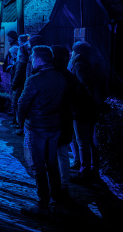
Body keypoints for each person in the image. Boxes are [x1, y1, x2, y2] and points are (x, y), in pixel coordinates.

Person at [18, 45, 66, 218]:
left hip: (37, 127)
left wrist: (20, 121)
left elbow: (23, 103)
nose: (31, 61)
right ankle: (55, 201)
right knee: (52, 165)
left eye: (32, 58)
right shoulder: (60, 77)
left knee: (38, 166)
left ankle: (42, 204)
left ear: (38, 60)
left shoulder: (34, 80)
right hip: (54, 127)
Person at [68, 41, 100, 184]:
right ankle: (91, 168)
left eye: (73, 51)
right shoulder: (88, 63)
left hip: (81, 108)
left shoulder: (79, 64)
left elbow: (87, 84)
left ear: (77, 52)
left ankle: (85, 171)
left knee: (83, 141)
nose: (71, 53)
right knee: (86, 140)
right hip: (86, 108)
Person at [51, 45, 79, 202]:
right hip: (66, 118)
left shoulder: (52, 76)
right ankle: (64, 186)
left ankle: (55, 189)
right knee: (62, 153)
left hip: (53, 120)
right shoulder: (70, 76)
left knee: (51, 154)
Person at [11, 34, 30, 134]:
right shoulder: (24, 63)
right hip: (22, 86)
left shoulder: (22, 63)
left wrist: (13, 85)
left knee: (18, 106)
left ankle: (21, 126)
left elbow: (18, 76)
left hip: (19, 87)